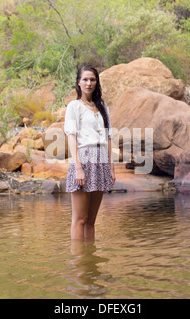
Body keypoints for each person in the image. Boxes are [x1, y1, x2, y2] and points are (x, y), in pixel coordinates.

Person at [64, 65, 116, 242]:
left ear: (97, 82)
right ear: (78, 82)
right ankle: (79, 264)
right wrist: (78, 167)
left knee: (91, 221)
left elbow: (108, 138)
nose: (89, 83)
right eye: (85, 79)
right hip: (83, 161)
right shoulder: (74, 106)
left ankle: (90, 263)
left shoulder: (102, 108)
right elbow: (71, 136)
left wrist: (111, 167)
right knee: (80, 219)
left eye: (92, 79)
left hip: (101, 161)